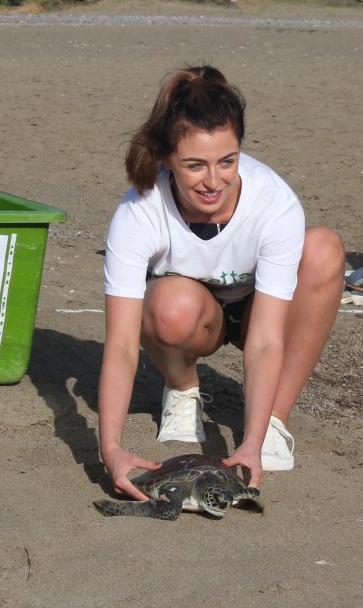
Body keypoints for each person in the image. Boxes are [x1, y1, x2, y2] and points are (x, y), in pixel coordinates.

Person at [97, 65, 345, 500]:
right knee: (171, 305)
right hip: (191, 315)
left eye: (227, 161)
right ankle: (181, 387)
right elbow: (119, 343)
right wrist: (111, 447)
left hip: (259, 313)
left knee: (324, 248)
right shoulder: (139, 209)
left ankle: (271, 424)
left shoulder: (274, 202)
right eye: (194, 165)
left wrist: (248, 443)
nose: (214, 181)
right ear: (166, 158)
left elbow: (267, 338)